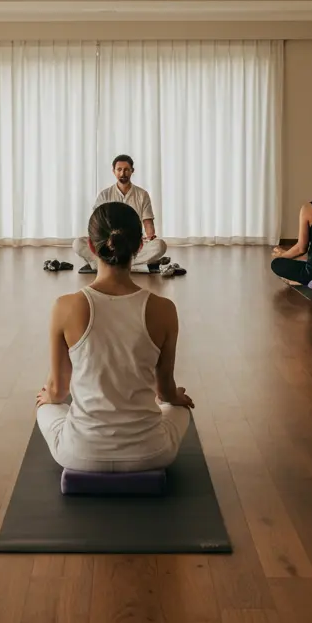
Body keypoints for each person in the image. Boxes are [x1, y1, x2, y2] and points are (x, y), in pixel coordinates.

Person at [37, 202, 194, 472]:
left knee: (45, 408)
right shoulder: (164, 309)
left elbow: (58, 392)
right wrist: (175, 398)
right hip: (151, 454)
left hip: (78, 453)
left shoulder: (64, 306)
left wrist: (47, 398)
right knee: (179, 409)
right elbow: (165, 391)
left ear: (91, 244)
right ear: (140, 246)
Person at [73, 155, 175, 275]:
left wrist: (150, 237)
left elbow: (148, 221)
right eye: (119, 169)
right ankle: (136, 266)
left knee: (159, 246)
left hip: (132, 245)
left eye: (126, 169)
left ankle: (101, 265)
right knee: (78, 244)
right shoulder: (105, 195)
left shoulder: (142, 194)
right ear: (113, 171)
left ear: (132, 170)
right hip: (108, 244)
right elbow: (96, 222)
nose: (123, 173)